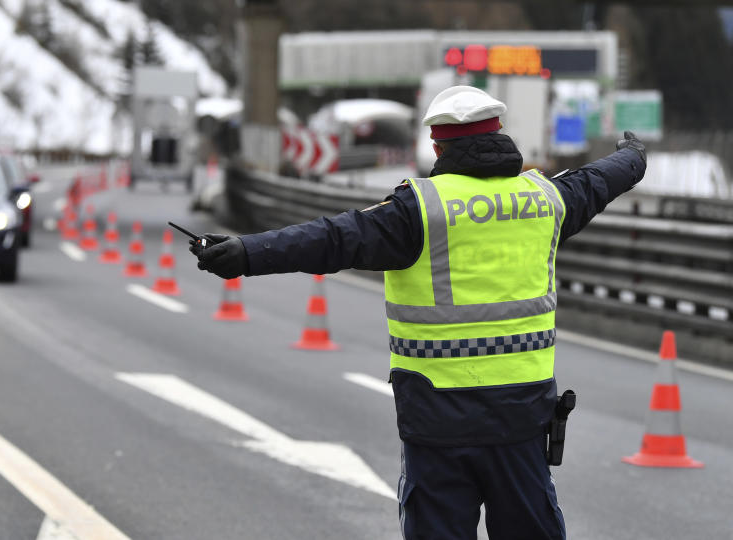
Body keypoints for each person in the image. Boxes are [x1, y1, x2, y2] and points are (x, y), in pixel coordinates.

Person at [189, 85, 646, 540]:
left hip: (437, 424)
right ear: (500, 135)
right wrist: (633, 157)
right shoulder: (545, 199)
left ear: (437, 144)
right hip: (522, 421)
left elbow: (329, 239)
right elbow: (599, 179)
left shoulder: (418, 210)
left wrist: (245, 253)